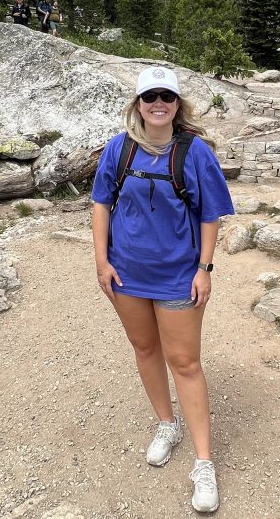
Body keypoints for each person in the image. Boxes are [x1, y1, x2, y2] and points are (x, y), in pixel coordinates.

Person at [91, 66, 235, 513]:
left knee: (186, 362)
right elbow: (101, 202)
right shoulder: (119, 149)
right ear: (138, 103)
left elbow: (211, 213)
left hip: (177, 273)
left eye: (166, 97)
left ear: (177, 104)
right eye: (149, 96)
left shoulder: (195, 152)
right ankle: (165, 423)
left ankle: (204, 462)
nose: (158, 104)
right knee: (145, 349)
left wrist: (204, 268)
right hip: (127, 272)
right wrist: (101, 260)